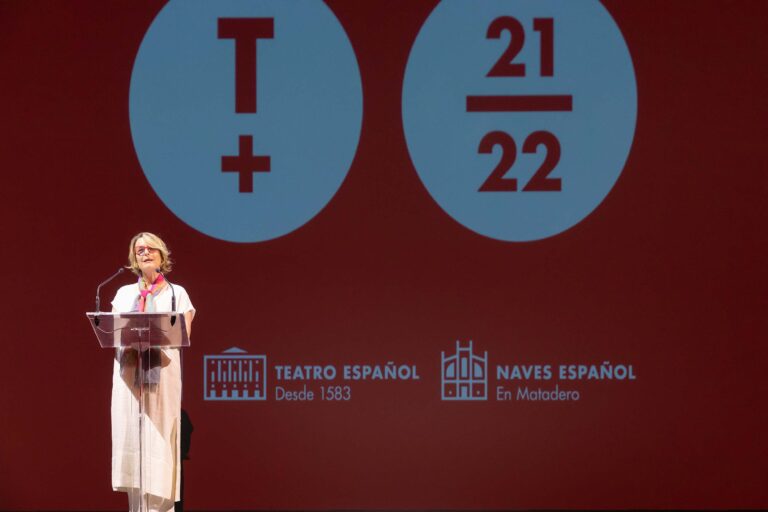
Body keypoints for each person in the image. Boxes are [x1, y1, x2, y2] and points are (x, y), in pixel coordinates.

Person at [110, 232, 195, 512]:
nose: (144, 253)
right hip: (130, 378)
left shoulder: (176, 293)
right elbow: (112, 333)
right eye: (139, 250)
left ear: (161, 254)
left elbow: (184, 335)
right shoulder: (124, 294)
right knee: (134, 446)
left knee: (159, 446)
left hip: (162, 380)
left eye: (149, 249)